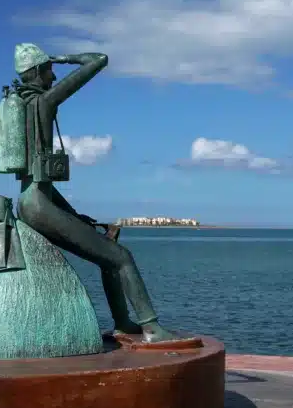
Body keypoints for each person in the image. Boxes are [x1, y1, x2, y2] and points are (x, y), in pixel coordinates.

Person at [11, 43, 177, 343]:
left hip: (29, 202)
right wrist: (64, 57)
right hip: (41, 204)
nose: (52, 75)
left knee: (106, 255)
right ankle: (152, 329)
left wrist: (73, 216)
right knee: (122, 258)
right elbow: (98, 60)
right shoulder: (43, 103)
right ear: (36, 72)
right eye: (48, 69)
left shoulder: (18, 108)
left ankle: (123, 324)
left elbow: (37, 182)